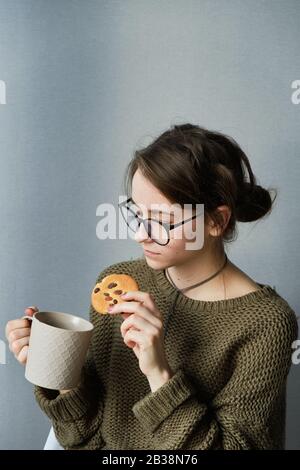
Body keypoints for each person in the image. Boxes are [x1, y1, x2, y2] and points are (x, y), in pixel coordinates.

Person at [5, 123, 298, 450]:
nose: (140, 234)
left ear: (217, 221)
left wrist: (159, 372)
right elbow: (81, 438)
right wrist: (59, 371)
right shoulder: (117, 284)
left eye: (162, 221)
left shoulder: (266, 322)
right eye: (137, 213)